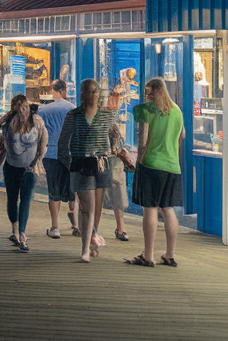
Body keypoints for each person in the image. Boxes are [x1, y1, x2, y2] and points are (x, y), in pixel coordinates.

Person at [126, 78, 186, 268]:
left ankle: (148, 255)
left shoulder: (149, 110)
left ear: (156, 92)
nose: (147, 96)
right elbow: (182, 135)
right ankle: (170, 254)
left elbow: (141, 133)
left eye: (149, 93)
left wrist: (139, 157)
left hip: (152, 163)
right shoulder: (177, 111)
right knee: (167, 208)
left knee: (150, 208)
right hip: (172, 166)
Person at [65, 79, 117, 262]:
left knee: (96, 207)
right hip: (81, 163)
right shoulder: (74, 115)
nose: (93, 95)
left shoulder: (106, 115)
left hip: (101, 164)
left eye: (95, 91)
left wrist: (115, 151)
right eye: (89, 91)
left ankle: (93, 234)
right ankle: (85, 249)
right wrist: (66, 164)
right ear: (82, 94)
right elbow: (64, 141)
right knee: (88, 207)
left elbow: (116, 137)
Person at [0, 94, 47, 252]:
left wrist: (38, 158)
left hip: (18, 167)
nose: (24, 109)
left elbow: (1, 144)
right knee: (21, 201)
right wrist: (38, 159)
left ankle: (18, 232)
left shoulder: (12, 122)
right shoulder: (29, 121)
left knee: (16, 200)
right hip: (23, 168)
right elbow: (43, 143)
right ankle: (19, 232)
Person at [39, 80, 78, 239]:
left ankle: (55, 227)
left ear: (53, 91)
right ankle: (76, 226)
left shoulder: (44, 110)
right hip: (69, 154)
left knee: (54, 191)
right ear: (64, 90)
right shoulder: (73, 109)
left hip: (51, 154)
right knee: (73, 191)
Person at [104, 88, 132, 242]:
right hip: (105, 160)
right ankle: (89, 229)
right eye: (115, 97)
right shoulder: (104, 118)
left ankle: (120, 228)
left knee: (118, 192)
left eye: (119, 97)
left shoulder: (120, 118)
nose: (117, 102)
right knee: (98, 193)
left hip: (114, 160)